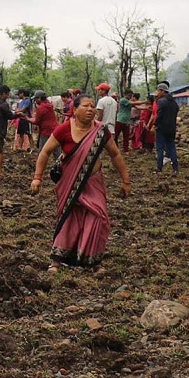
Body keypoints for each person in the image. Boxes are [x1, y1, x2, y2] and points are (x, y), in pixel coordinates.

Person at [30, 95, 131, 271]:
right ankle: (56, 260)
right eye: (86, 106)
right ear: (75, 110)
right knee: (68, 216)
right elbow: (45, 152)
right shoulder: (63, 130)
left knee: (99, 217)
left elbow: (115, 154)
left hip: (93, 182)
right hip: (68, 182)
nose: (91, 109)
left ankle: (92, 261)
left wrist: (125, 180)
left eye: (93, 106)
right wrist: (37, 177)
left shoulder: (101, 131)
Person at [149, 82, 179, 176]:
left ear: (162, 91)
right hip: (171, 128)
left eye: (158, 90)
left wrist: (154, 125)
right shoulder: (174, 102)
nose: (157, 93)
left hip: (161, 128)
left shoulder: (160, 101)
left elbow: (159, 115)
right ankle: (175, 169)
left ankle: (159, 168)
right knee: (171, 148)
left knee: (160, 148)